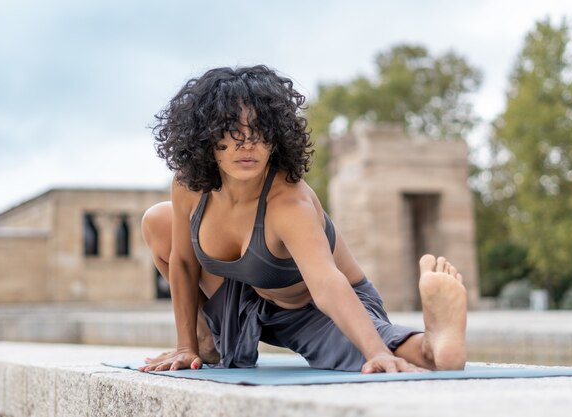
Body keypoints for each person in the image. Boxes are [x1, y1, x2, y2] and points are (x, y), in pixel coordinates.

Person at [139, 65, 467, 374]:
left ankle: (433, 343)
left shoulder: (287, 201)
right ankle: (207, 341)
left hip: (315, 309)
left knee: (381, 350)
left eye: (259, 130)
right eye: (231, 131)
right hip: (246, 301)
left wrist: (376, 352)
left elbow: (327, 284)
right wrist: (186, 345)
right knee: (158, 221)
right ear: (206, 138)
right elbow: (182, 263)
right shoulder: (189, 186)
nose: (247, 144)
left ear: (277, 136)